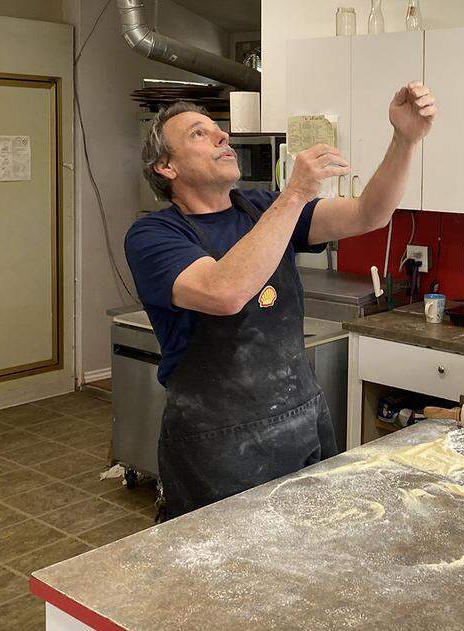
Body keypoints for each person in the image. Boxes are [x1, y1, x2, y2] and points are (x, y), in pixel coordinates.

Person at [124, 82, 436, 518]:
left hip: (301, 417)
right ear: (166, 167)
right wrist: (294, 195)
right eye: (199, 133)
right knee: (228, 569)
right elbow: (224, 292)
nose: (222, 136)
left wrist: (405, 140)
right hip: (218, 437)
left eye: (220, 129)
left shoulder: (260, 208)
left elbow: (369, 213)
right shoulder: (155, 235)